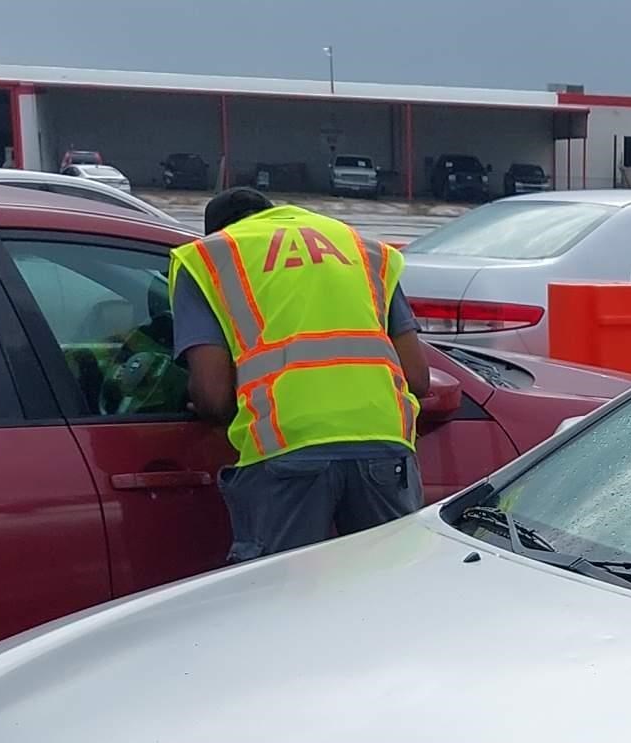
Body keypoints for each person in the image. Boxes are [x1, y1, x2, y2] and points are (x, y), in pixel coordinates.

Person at [169, 186, 435, 560]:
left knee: (280, 597)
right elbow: (418, 379)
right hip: (384, 442)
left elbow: (213, 397)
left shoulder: (211, 257)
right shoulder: (364, 251)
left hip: (284, 446)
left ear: (218, 230)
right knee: (389, 590)